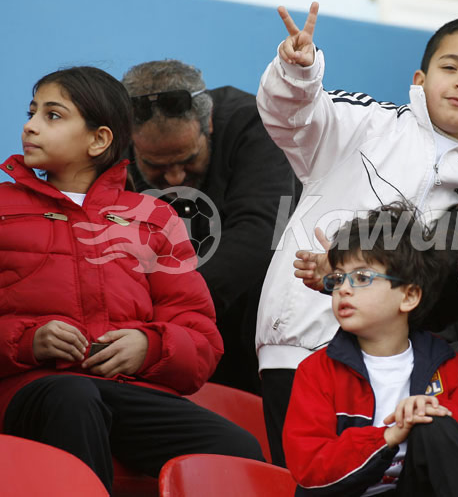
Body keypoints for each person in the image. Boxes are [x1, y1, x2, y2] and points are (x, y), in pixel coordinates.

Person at [254, 2, 458, 466]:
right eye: (449, 66)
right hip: (300, 345)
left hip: (395, 364)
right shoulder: (365, 123)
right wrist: (297, 68)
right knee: (306, 479)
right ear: (419, 79)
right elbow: (293, 117)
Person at [0, 66, 264, 493]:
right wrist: (29, 341)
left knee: (238, 446)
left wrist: (151, 346)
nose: (29, 126)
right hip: (28, 391)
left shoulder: (155, 218)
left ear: (99, 139)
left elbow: (200, 337)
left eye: (52, 115)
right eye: (31, 113)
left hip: (125, 393)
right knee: (74, 399)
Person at [283, 203, 458, 496]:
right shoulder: (316, 371)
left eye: (362, 278)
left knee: (432, 422)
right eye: (337, 279)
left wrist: (439, 411)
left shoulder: (450, 366)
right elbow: (309, 468)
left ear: (409, 296)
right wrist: (387, 437)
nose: (344, 290)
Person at [122, 60, 298, 394]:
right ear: (129, 141)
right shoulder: (113, 148)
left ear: (210, 123)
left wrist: (171, 310)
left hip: (253, 316)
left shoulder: (254, 123)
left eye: (188, 160)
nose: (174, 178)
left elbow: (259, 233)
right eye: (156, 166)